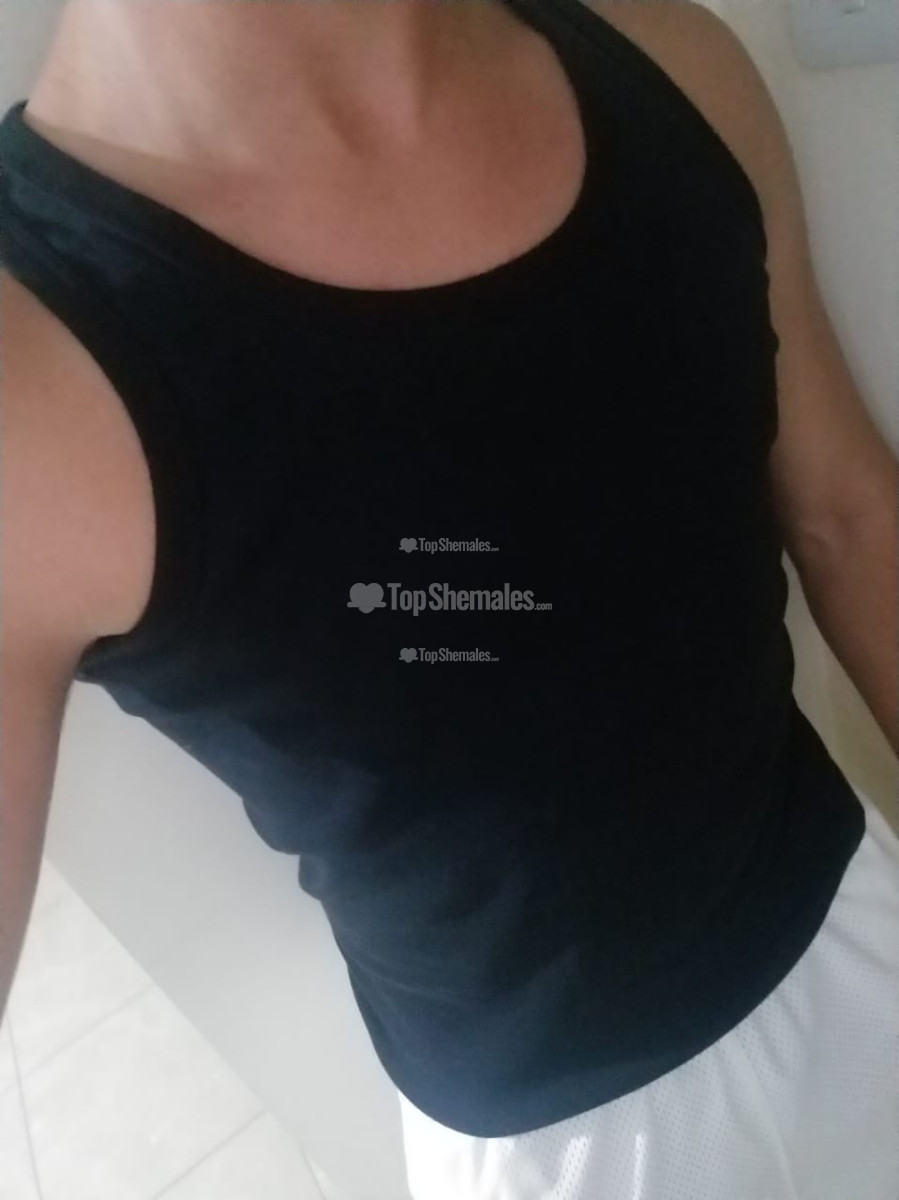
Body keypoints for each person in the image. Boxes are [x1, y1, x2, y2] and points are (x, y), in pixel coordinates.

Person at [2, 1, 897, 1197]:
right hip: (565, 1150)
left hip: (856, 917)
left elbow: (847, 518)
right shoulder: (24, 372)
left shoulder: (668, 62)